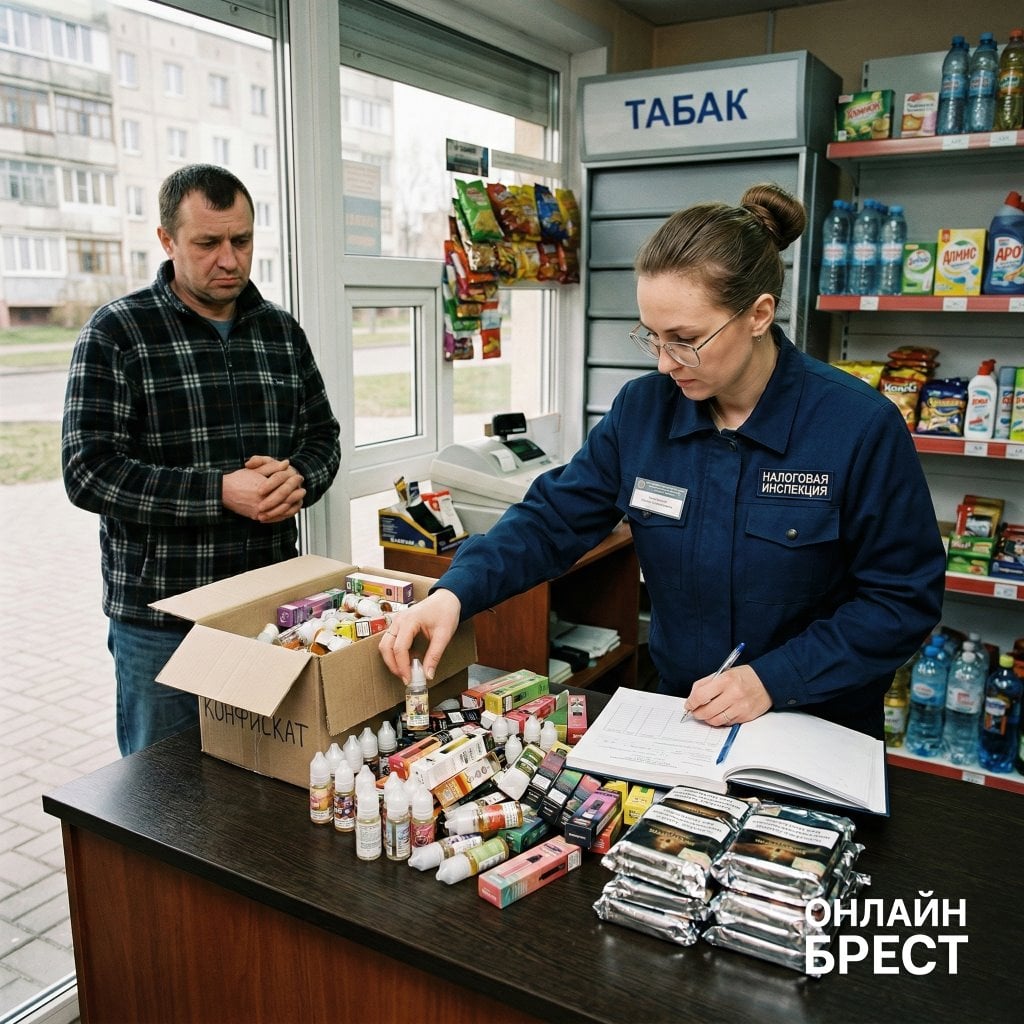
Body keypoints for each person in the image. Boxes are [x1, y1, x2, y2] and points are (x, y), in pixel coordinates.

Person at [380, 182, 946, 739]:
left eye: (684, 338)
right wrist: (455, 592)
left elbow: (901, 599)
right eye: (652, 337)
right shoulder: (643, 412)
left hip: (815, 726)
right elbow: (552, 520)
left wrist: (774, 679)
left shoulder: (858, 427)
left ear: (758, 314)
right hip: (685, 722)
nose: (664, 364)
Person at [62, 164, 341, 755]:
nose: (230, 260)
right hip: (161, 623)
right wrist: (219, 490)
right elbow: (88, 471)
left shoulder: (281, 333)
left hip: (268, 611)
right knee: (161, 801)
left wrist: (300, 478)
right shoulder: (117, 333)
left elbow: (323, 439)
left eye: (241, 240)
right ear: (167, 241)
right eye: (208, 243)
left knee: (261, 786)